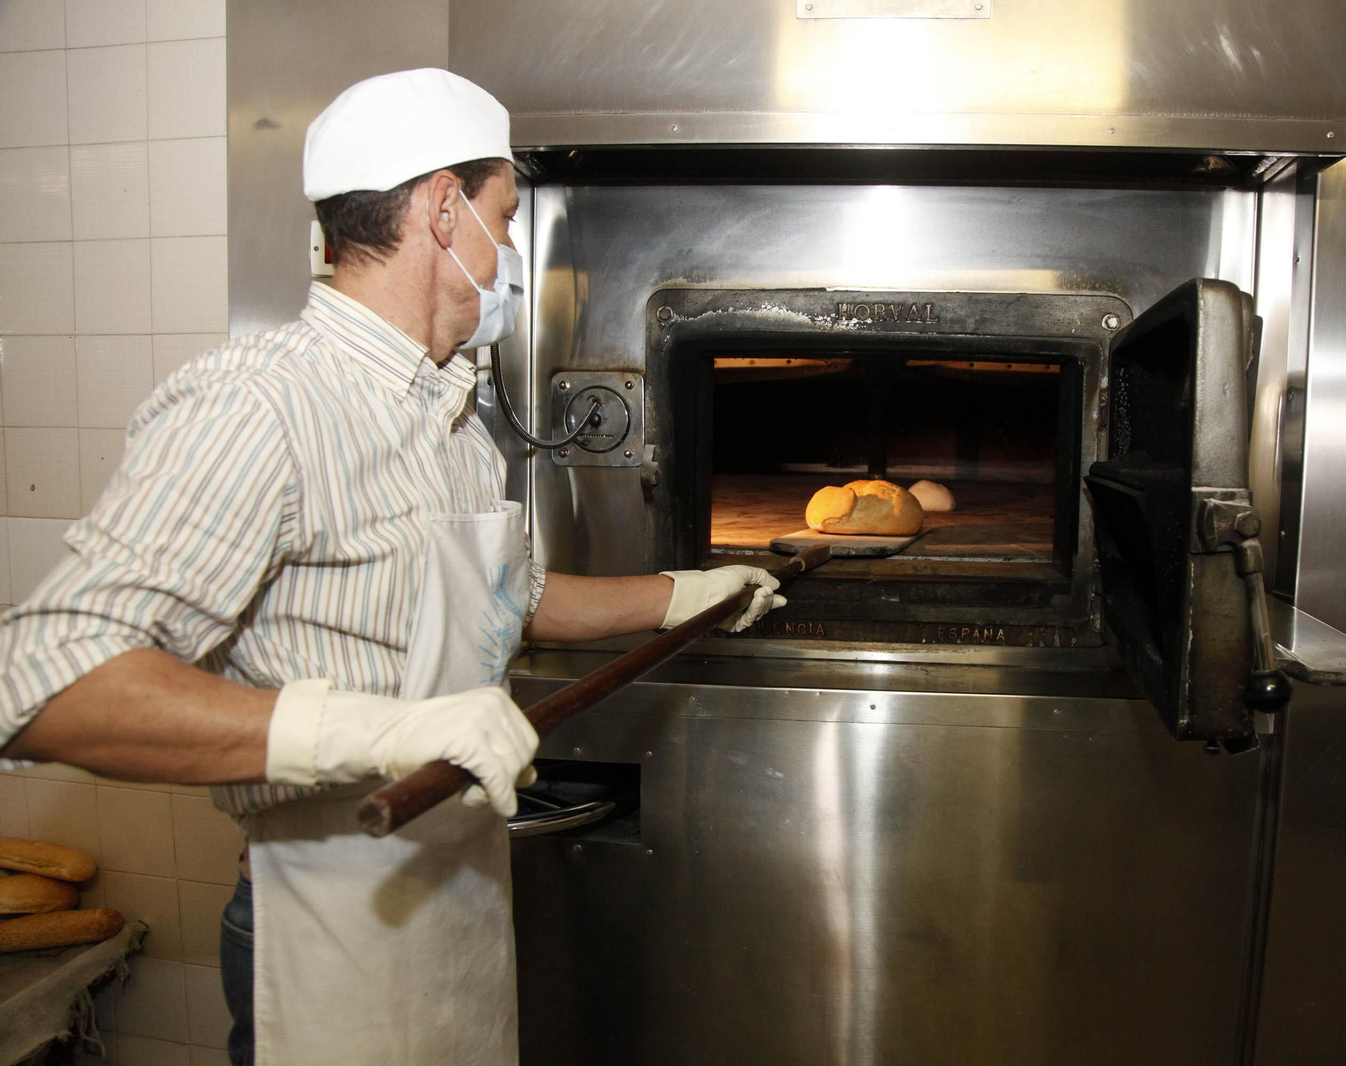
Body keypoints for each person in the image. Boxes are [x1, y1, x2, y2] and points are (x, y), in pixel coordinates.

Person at [0, 68, 786, 1065]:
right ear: (444, 209)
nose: (509, 252)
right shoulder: (264, 405)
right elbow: (46, 679)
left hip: (457, 888)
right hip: (326, 911)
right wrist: (383, 728)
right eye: (505, 215)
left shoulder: (447, 417)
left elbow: (513, 598)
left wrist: (686, 592)